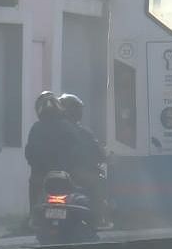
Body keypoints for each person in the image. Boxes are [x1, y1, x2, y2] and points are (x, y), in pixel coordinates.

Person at [25, 92, 84, 222]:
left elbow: (29, 153)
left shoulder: (36, 127)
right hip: (67, 174)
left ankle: (33, 216)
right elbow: (78, 149)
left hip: (43, 175)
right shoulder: (67, 126)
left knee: (34, 186)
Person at [58, 93, 111, 228]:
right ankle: (98, 217)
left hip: (54, 172)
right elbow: (98, 152)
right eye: (78, 109)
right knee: (99, 182)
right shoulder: (81, 131)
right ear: (74, 111)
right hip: (76, 172)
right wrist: (105, 157)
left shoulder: (53, 128)